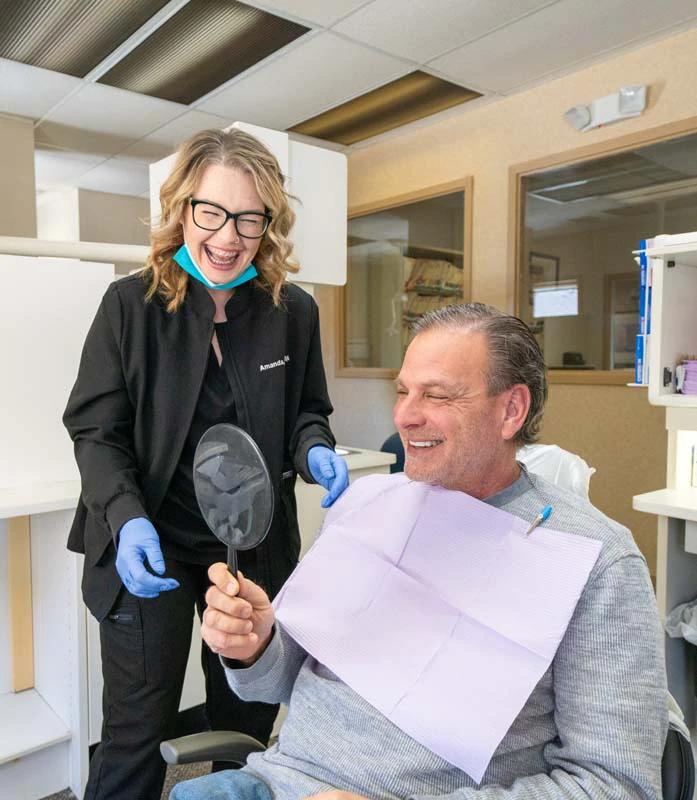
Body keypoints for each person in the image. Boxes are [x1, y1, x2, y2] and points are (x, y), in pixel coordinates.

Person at [172, 302, 669, 800]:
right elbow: (277, 685)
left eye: (437, 396)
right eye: (404, 391)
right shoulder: (366, 505)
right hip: (272, 782)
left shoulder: (594, 561)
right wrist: (256, 645)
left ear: (511, 410)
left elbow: (615, 785)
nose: (406, 417)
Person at [63, 127, 348, 800]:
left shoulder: (291, 311)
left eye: (250, 219)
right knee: (138, 727)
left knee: (247, 716)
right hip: (148, 542)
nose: (228, 237)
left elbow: (308, 408)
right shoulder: (130, 306)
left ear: (269, 224)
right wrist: (125, 518)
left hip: (251, 543)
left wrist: (314, 450)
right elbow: (96, 430)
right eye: (212, 213)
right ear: (182, 209)